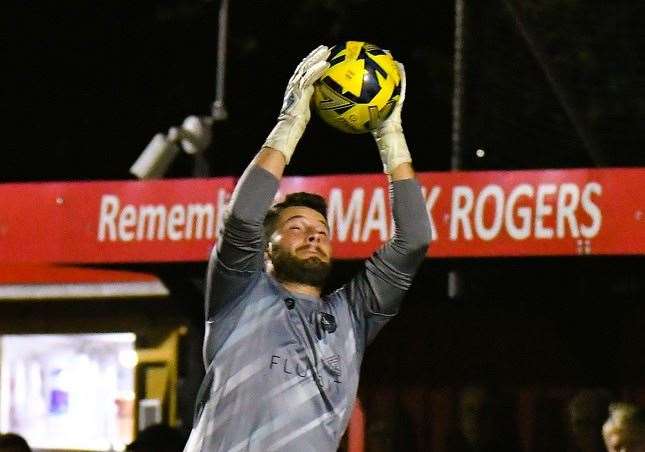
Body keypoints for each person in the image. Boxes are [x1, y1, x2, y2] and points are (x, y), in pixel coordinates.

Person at [183, 45, 431, 451]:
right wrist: (290, 123)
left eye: (320, 229)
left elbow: (414, 239)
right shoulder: (239, 296)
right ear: (267, 248)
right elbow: (243, 218)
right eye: (296, 227)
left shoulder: (353, 315)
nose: (314, 235)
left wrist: (391, 137)